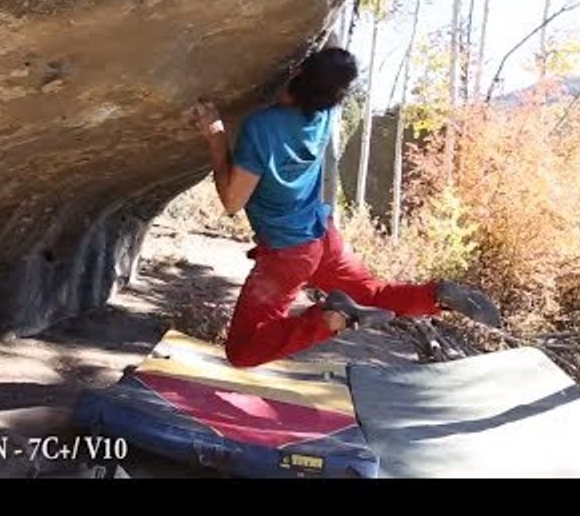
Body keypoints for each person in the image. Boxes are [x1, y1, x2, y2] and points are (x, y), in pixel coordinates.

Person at [189, 46, 500, 368]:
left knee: (243, 351)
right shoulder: (322, 116)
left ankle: (330, 320)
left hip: (288, 252)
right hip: (323, 237)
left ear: (296, 73)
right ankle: (436, 295)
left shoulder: (263, 127)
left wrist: (216, 135)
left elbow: (232, 200)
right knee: (373, 295)